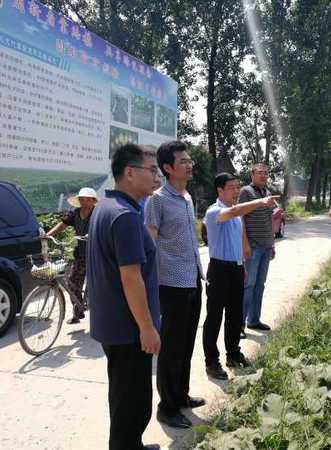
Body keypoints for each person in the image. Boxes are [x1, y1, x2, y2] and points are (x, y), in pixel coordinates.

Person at [86, 143, 162, 450]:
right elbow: (131, 277)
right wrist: (147, 326)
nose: (157, 177)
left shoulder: (106, 207)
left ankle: (132, 445)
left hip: (114, 324)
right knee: (133, 402)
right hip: (128, 328)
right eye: (152, 170)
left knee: (124, 398)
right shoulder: (125, 216)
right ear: (130, 173)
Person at [144, 141, 205, 429]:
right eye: (183, 161)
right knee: (171, 347)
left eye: (190, 160)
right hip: (171, 284)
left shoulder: (187, 197)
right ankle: (166, 407)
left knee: (187, 343)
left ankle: (180, 395)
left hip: (192, 278)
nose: (189, 165)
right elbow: (150, 243)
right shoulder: (157, 200)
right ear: (167, 168)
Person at [203, 172, 279, 380]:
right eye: (232, 188)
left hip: (236, 268)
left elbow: (237, 238)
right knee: (214, 317)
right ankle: (212, 362)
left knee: (235, 316)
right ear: (220, 190)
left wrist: (241, 266)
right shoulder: (214, 211)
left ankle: (233, 354)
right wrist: (260, 202)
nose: (236, 191)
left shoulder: (236, 215)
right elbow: (234, 210)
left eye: (238, 187)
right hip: (219, 270)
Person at [45, 187, 97, 324]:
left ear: (93, 201)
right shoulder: (75, 213)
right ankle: (78, 311)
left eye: (88, 200)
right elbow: (63, 224)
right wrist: (48, 235)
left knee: (98, 284)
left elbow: (103, 227)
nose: (84, 202)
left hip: (97, 254)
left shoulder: (97, 213)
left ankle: (100, 311)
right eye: (82, 199)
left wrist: (92, 234)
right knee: (72, 283)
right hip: (81, 254)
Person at [239, 163, 276, 338]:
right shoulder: (246, 192)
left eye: (266, 173)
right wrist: (245, 244)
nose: (263, 176)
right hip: (252, 247)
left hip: (266, 246)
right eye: (260, 173)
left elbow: (270, 219)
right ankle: (238, 325)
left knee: (260, 285)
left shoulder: (267, 193)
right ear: (252, 174)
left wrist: (272, 244)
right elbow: (240, 217)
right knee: (248, 285)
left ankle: (253, 320)